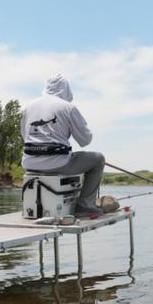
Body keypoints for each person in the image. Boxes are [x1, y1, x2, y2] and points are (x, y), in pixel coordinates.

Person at [21, 74, 104, 216]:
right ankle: (84, 205)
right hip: (58, 163)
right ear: (66, 89)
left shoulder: (28, 107)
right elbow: (86, 140)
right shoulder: (68, 107)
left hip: (29, 164)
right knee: (98, 159)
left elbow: (25, 136)